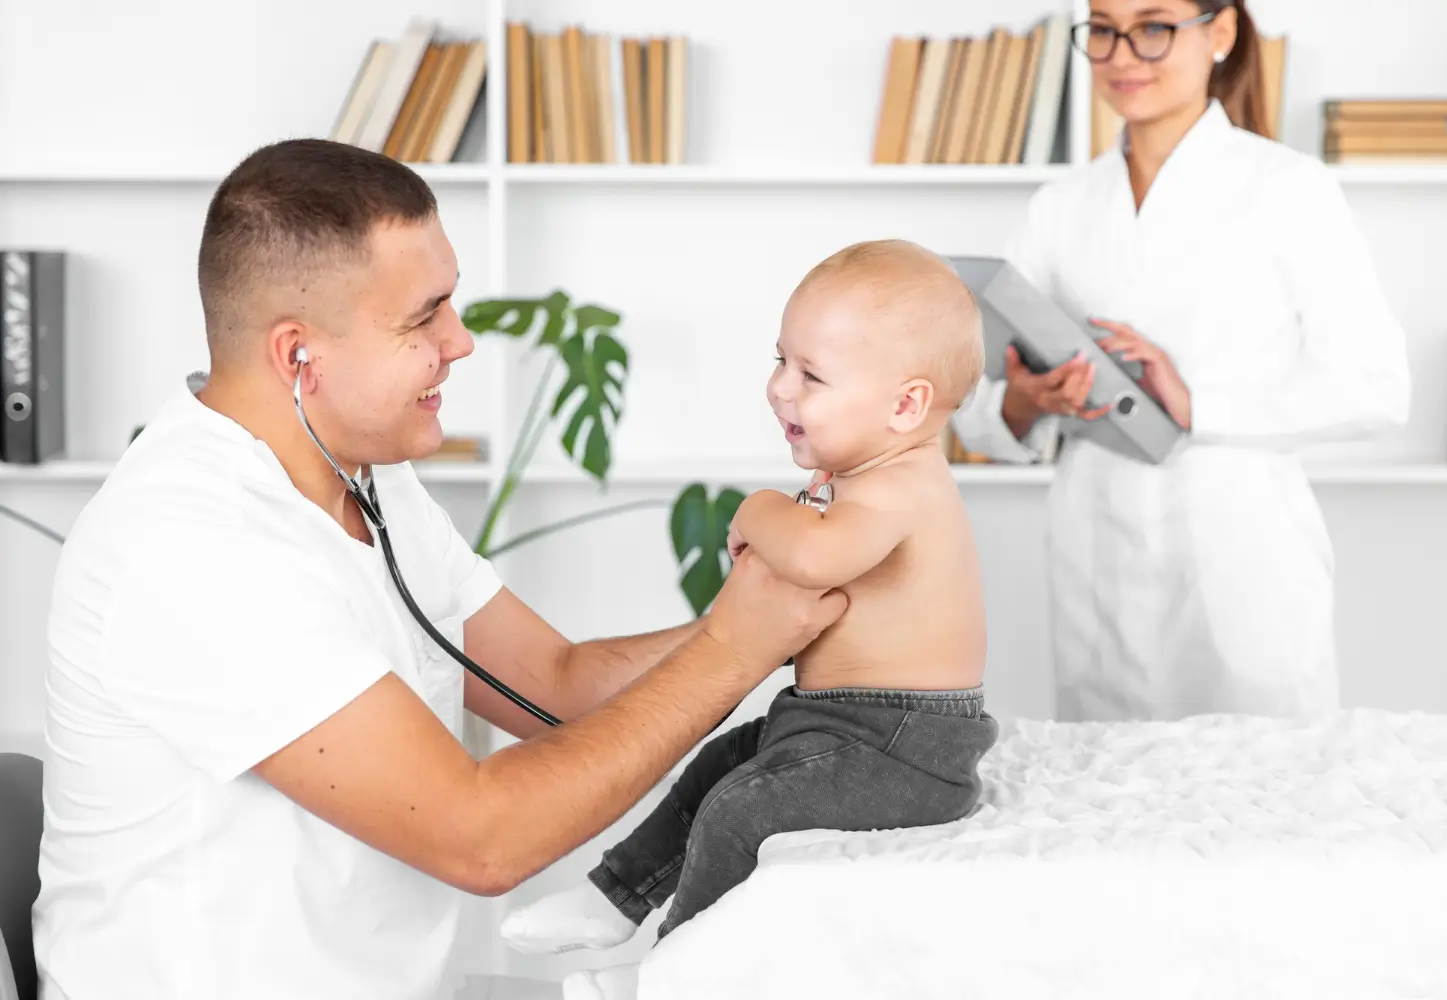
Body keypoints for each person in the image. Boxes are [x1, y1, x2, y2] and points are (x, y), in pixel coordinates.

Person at [31, 139, 849, 1000]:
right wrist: (735, 644)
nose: (460, 342)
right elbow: (481, 838)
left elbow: (560, 687)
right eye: (424, 318)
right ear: (297, 355)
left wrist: (788, 604)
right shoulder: (192, 542)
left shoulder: (364, 476)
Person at [499, 240, 1001, 1000]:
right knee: (716, 767)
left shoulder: (905, 486)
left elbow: (819, 557)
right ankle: (614, 896)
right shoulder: (863, 476)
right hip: (837, 722)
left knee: (743, 806)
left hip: (906, 746)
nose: (778, 390)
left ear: (906, 406)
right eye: (780, 362)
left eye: (811, 376)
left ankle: (672, 969)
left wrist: (758, 507)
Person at [950, 0, 1410, 722]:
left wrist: (1195, 402)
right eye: (1102, 29)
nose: (1123, 54)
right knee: (1110, 799)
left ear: (1220, 32)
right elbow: (980, 404)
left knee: (1261, 794)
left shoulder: (1287, 187)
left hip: (1239, 547)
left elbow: (1378, 388)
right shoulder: (1061, 206)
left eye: (1153, 26)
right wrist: (1033, 398)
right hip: (1093, 547)